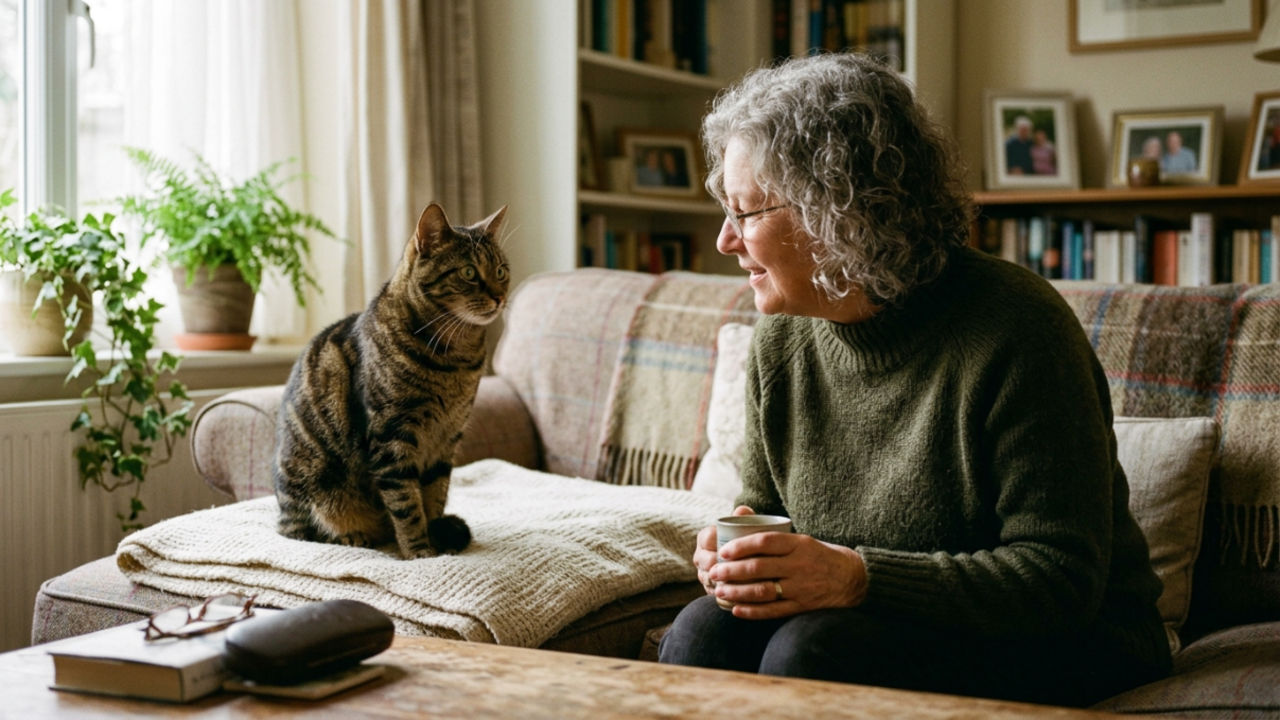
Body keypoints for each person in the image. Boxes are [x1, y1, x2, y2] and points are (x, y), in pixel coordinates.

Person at [657, 52, 1171, 708]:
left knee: (811, 650)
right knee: (703, 630)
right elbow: (765, 507)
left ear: (835, 211)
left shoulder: (1018, 329)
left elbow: (1061, 581)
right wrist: (741, 555)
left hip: (1073, 639)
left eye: (747, 212)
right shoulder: (781, 342)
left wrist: (857, 577)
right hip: (877, 624)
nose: (725, 241)